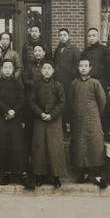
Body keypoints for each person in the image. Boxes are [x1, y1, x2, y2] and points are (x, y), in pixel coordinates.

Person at [0, 59, 34, 190]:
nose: (8, 69)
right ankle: (6, 173)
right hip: (0, 117)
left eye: (10, 67)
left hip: (15, 118)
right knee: (2, 145)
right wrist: (6, 110)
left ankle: (23, 174)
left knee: (18, 146)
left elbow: (22, 99)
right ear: (1, 69)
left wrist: (13, 111)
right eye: (5, 67)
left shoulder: (18, 84)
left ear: (13, 69)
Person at [69, 58, 108, 188]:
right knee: (80, 145)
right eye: (81, 66)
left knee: (95, 144)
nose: (83, 68)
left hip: (93, 118)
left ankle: (97, 173)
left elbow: (102, 101)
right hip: (78, 120)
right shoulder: (74, 84)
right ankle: (83, 172)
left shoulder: (95, 83)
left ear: (90, 68)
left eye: (86, 66)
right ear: (78, 68)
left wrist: (95, 114)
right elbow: (71, 101)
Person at [29, 60, 66, 188]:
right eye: (44, 68)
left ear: (53, 71)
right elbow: (32, 101)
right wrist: (40, 113)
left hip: (54, 120)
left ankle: (56, 177)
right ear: (41, 71)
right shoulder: (36, 85)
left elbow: (62, 102)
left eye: (49, 68)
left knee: (55, 147)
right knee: (40, 147)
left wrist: (52, 114)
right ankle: (40, 176)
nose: (46, 70)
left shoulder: (58, 85)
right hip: (40, 119)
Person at [22, 44, 47, 148]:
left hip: (45, 97)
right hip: (31, 97)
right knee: (30, 124)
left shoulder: (48, 64)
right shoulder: (29, 65)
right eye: (35, 51)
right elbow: (25, 79)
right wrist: (34, 84)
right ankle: (28, 148)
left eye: (39, 51)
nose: (37, 53)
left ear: (44, 53)